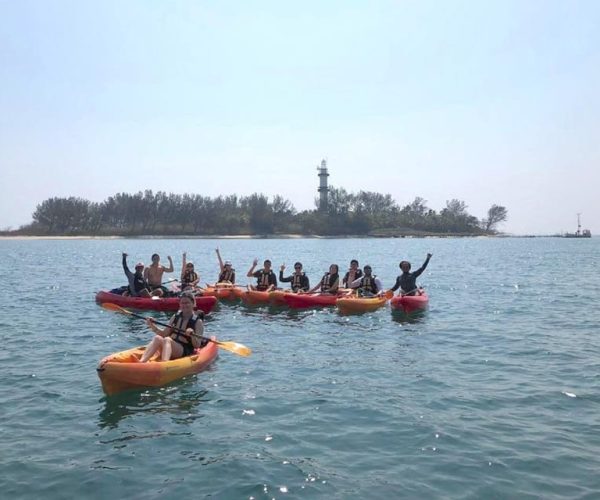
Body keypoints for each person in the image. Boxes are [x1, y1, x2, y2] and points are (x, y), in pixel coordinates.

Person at [139, 293, 208, 362]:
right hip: (169, 346)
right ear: (180, 304)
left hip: (184, 350)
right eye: (182, 303)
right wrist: (152, 325)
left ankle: (164, 363)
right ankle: (142, 362)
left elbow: (197, 345)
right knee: (157, 338)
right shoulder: (175, 317)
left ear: (193, 303)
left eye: (187, 303)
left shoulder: (198, 322)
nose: (184, 305)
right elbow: (164, 334)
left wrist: (192, 335)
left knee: (167, 339)